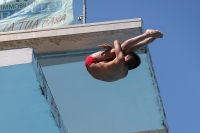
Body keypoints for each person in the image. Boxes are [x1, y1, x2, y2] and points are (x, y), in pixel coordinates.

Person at [85, 29, 163, 82]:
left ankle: (146, 35)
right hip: (96, 73)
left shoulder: (120, 60)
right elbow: (123, 57)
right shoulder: (124, 74)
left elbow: (116, 42)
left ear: (126, 60)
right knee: (125, 52)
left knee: (123, 49)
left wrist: (110, 49)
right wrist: (114, 52)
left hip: (91, 61)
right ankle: (147, 41)